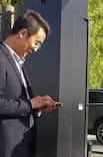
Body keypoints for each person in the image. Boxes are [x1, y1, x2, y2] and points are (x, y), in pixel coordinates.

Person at [0, 10, 62, 157]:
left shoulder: (18, 63)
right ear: (22, 33)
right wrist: (31, 104)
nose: (36, 49)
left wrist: (37, 107)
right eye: (36, 42)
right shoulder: (1, 59)